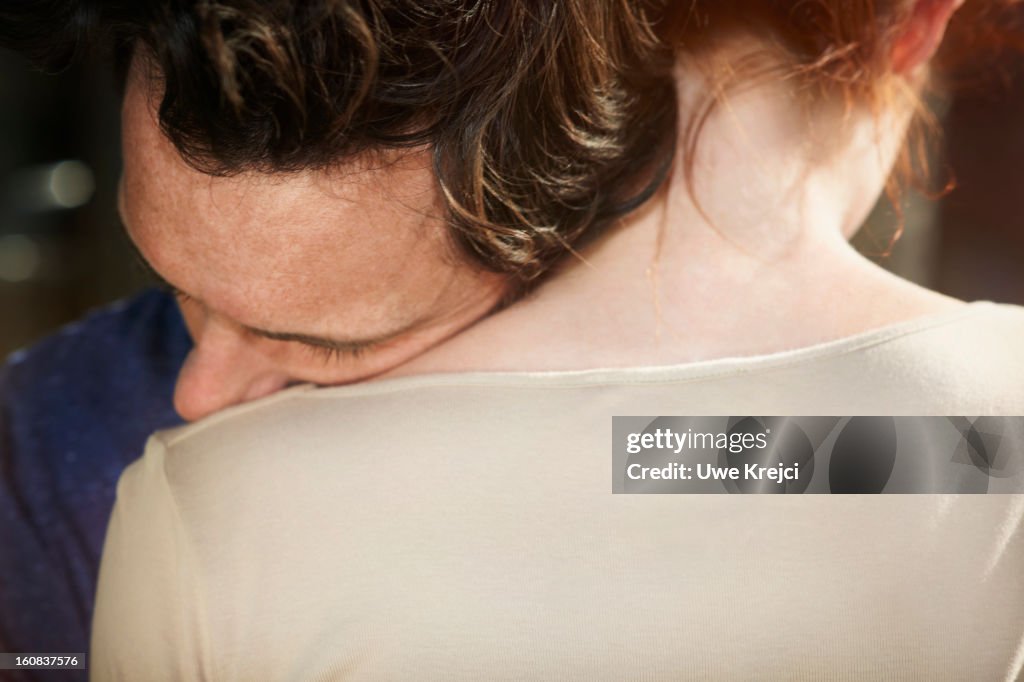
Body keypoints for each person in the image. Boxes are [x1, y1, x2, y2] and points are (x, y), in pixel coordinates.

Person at [7, 0, 1024, 678]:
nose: (198, 387)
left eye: (337, 337)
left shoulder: (214, 504)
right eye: (175, 281)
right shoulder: (981, 437)